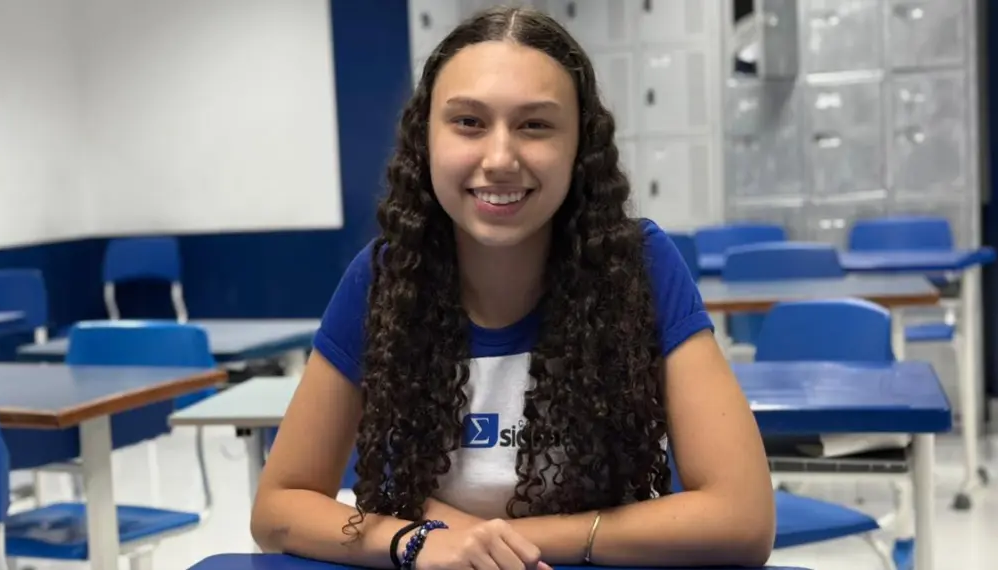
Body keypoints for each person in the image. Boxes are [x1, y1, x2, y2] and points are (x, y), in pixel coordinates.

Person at [251, 6, 774, 569]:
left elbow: (742, 517)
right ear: (425, 138)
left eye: (535, 125)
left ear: (580, 149)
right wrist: (418, 542)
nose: (500, 159)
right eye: (469, 123)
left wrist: (496, 540)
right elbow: (278, 508)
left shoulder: (637, 268)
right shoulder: (383, 280)